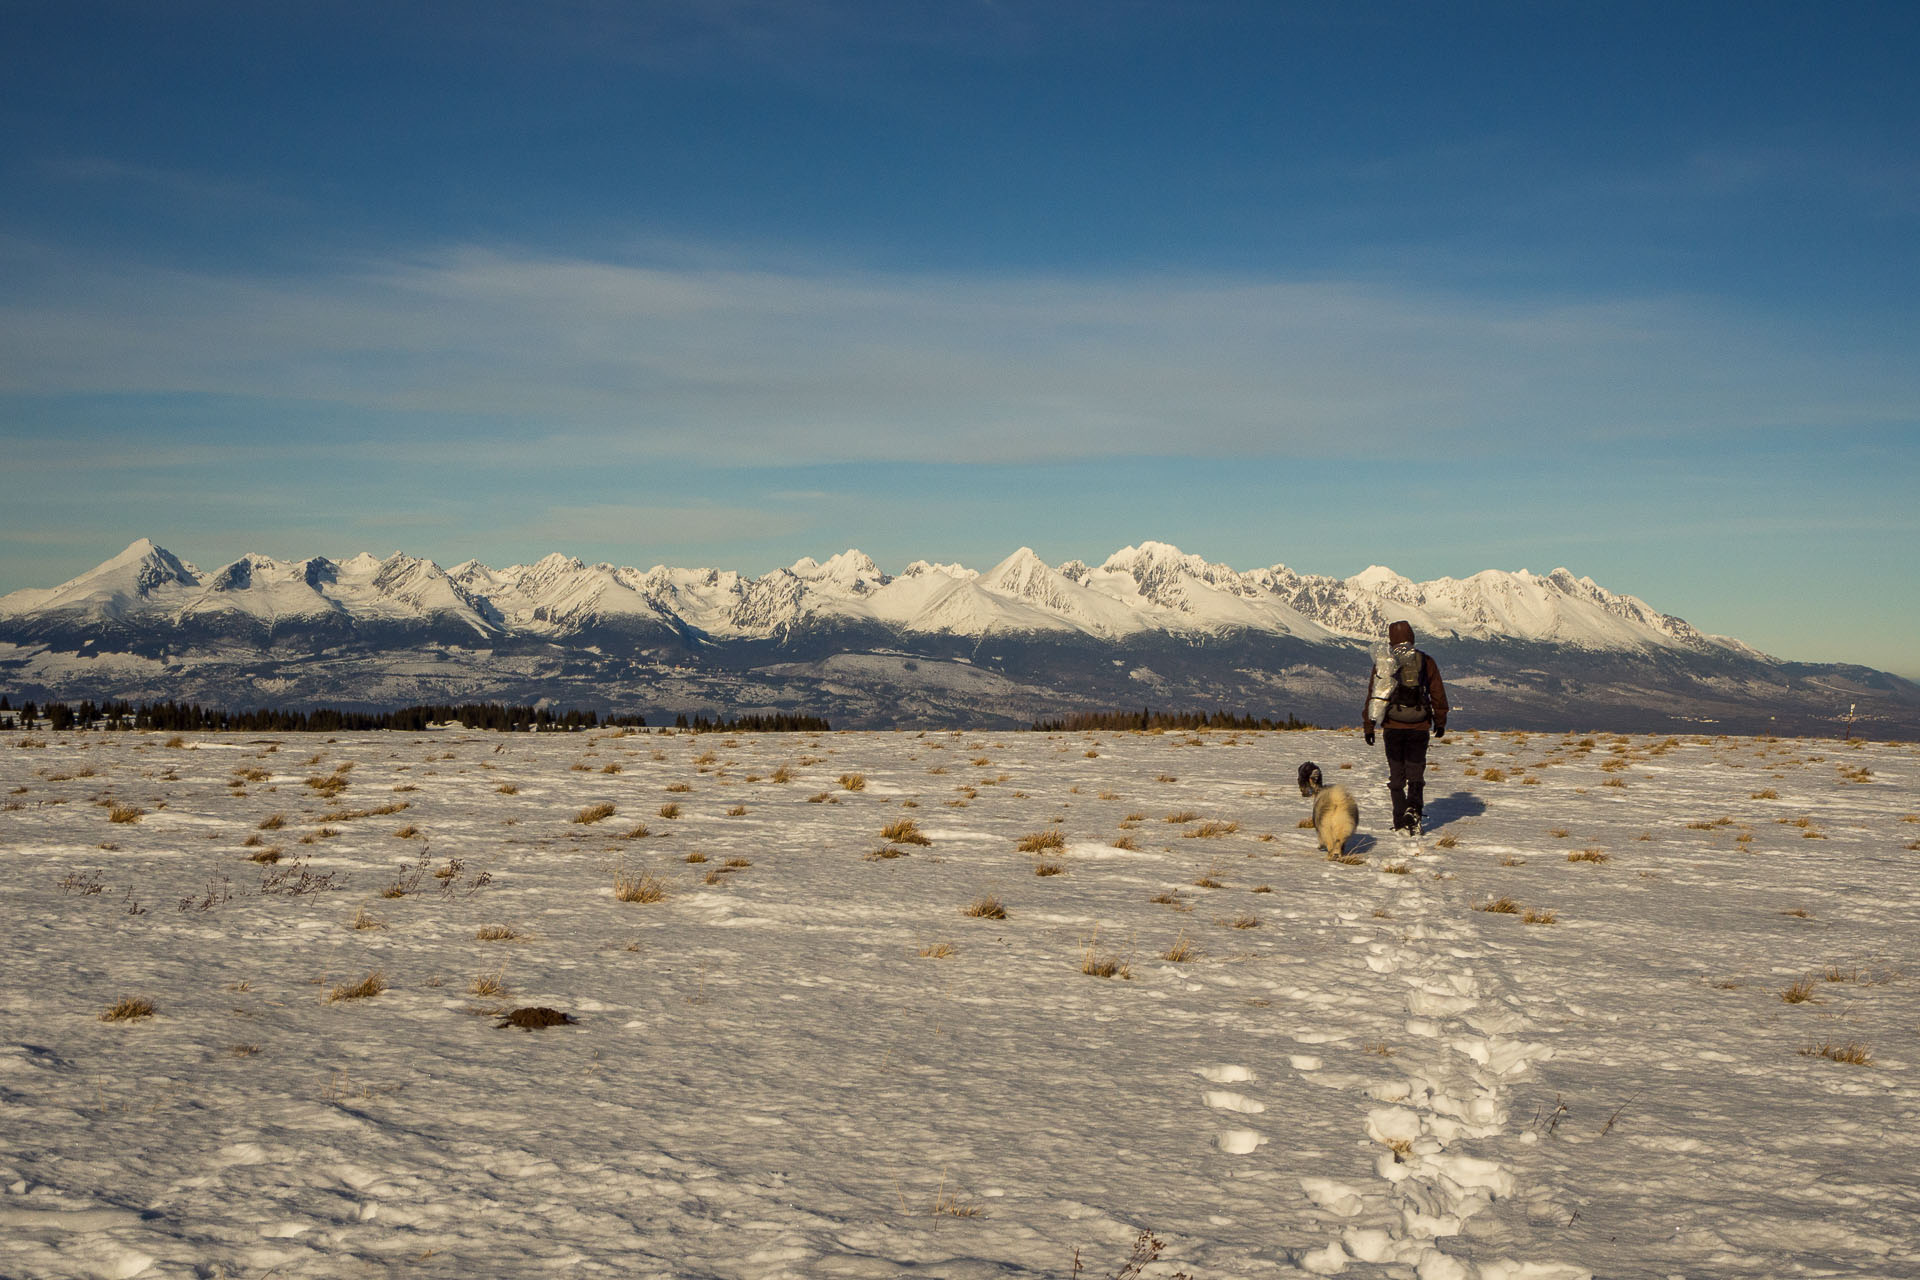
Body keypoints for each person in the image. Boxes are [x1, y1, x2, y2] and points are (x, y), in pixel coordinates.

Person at [1362, 620, 1448, 834]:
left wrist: (1369, 725)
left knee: (1397, 776)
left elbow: (1375, 697)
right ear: (1412, 637)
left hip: (1393, 727)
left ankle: (1400, 819)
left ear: (1391, 640)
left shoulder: (1384, 664)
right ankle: (1414, 811)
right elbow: (1437, 692)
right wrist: (1440, 720)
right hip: (1419, 727)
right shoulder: (1426, 661)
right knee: (1416, 773)